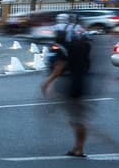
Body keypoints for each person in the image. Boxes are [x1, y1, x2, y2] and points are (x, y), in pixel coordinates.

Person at [39, 12, 93, 157]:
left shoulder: (63, 45)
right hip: (79, 79)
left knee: (76, 117)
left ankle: (80, 148)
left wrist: (47, 82)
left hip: (70, 81)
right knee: (75, 117)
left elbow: (60, 65)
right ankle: (78, 147)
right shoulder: (81, 38)